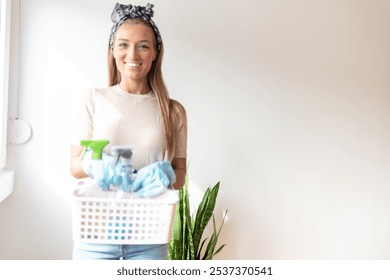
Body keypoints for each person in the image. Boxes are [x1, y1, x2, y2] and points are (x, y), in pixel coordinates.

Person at [69, 3, 187, 260]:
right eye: (123, 44)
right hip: (95, 236)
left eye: (143, 45)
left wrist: (166, 174)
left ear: (155, 53)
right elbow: (75, 166)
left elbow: (180, 175)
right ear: (112, 50)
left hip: (150, 238)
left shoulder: (173, 111)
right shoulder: (92, 98)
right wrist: (92, 163)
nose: (133, 54)